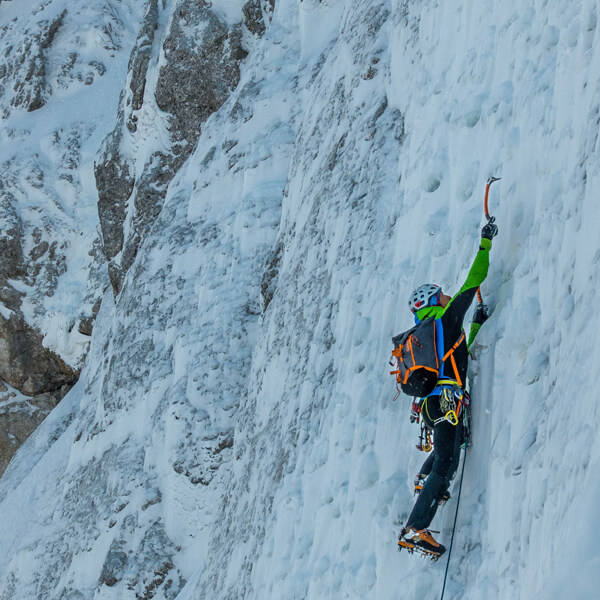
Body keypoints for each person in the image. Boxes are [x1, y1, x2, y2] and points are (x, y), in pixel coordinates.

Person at [399, 218, 498, 557]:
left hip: (431, 405)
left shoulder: (434, 335)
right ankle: (415, 528)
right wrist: (485, 245)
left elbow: (459, 354)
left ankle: (423, 481)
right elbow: (474, 280)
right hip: (445, 402)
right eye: (440, 294)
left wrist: (476, 323)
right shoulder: (444, 319)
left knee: (447, 456)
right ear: (432, 299)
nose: (446, 295)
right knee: (446, 464)